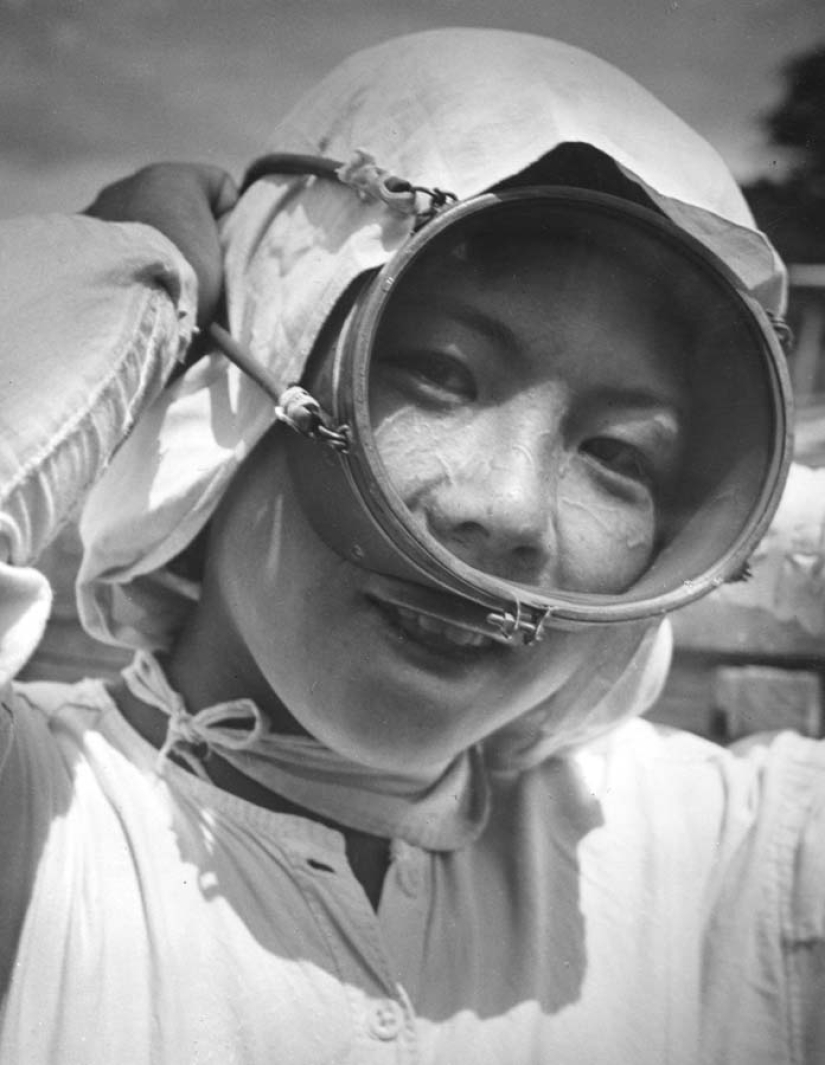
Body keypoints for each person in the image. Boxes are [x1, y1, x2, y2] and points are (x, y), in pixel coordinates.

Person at [0, 26, 822, 1064]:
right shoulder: (35, 824)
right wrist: (116, 288)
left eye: (621, 456)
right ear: (260, 370)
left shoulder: (726, 866)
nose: (513, 512)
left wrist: (756, 518)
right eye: (439, 372)